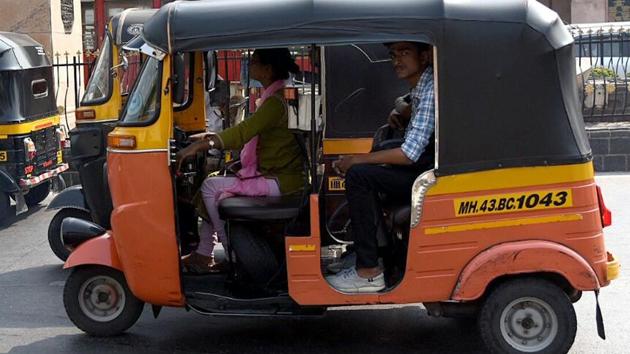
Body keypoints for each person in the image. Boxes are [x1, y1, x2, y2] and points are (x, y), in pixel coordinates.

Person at [176, 48, 305, 273]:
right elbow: (246, 131)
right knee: (214, 181)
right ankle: (204, 254)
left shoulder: (275, 102)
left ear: (268, 69)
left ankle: (232, 254)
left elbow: (243, 133)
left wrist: (204, 144)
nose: (249, 65)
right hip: (276, 175)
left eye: (253, 61)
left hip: (281, 180)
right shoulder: (274, 96)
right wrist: (205, 138)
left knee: (210, 186)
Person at [326, 42, 435, 293]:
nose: (397, 60)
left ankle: (368, 272)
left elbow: (409, 154)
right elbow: (406, 103)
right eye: (393, 55)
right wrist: (401, 112)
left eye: (404, 53)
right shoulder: (422, 85)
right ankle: (377, 252)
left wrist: (356, 160)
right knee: (376, 154)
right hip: (425, 165)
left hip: (429, 174)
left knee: (359, 175)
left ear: (425, 55)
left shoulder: (431, 89)